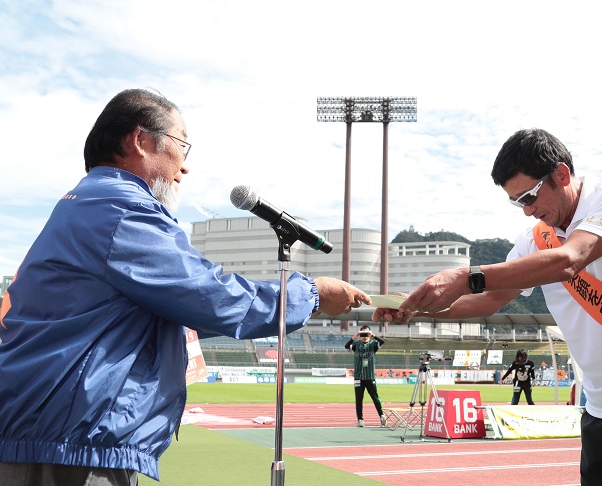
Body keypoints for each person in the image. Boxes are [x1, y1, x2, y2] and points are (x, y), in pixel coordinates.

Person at [0, 89, 371, 486]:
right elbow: (211, 297)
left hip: (50, 433)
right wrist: (313, 294)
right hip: (69, 444)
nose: (185, 166)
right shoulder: (123, 209)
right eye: (182, 144)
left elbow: (177, 308)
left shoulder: (89, 201)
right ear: (140, 141)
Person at [374, 128, 602, 486]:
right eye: (517, 202)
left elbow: (570, 259)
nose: (527, 211)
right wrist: (417, 306)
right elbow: (490, 298)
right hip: (601, 410)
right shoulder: (534, 238)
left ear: (561, 174)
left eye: (529, 196)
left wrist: (465, 277)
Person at [345, 325, 387, 427]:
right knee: (359, 399)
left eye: (366, 333)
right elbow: (346, 346)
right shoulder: (356, 344)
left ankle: (382, 415)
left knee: (375, 397)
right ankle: (360, 419)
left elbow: (382, 342)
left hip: (370, 376)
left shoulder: (373, 344)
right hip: (358, 377)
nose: (364, 336)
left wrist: (374, 336)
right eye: (362, 333)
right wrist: (354, 338)